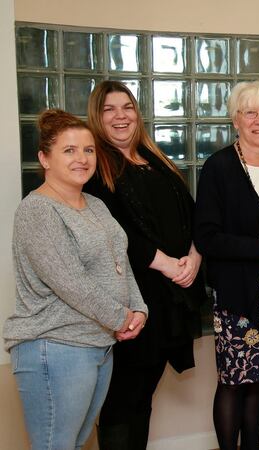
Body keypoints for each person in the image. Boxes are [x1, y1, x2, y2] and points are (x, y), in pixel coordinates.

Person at [4, 109, 147, 450]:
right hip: (54, 348)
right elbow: (72, 282)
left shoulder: (95, 204)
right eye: (69, 150)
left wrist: (139, 308)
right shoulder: (37, 210)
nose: (82, 158)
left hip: (98, 345)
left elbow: (120, 261)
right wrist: (121, 317)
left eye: (88, 150)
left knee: (77, 442)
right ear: (44, 158)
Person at [84, 80, 207, 450]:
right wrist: (168, 265)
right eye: (109, 109)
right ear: (96, 117)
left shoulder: (155, 159)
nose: (120, 116)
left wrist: (194, 259)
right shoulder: (95, 168)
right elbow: (113, 233)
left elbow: (194, 214)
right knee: (122, 400)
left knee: (143, 398)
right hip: (131, 300)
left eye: (127, 107)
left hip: (170, 298)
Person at [194, 81, 259, 450]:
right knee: (234, 379)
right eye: (250, 112)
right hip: (238, 291)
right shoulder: (218, 167)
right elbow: (207, 237)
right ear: (235, 119)